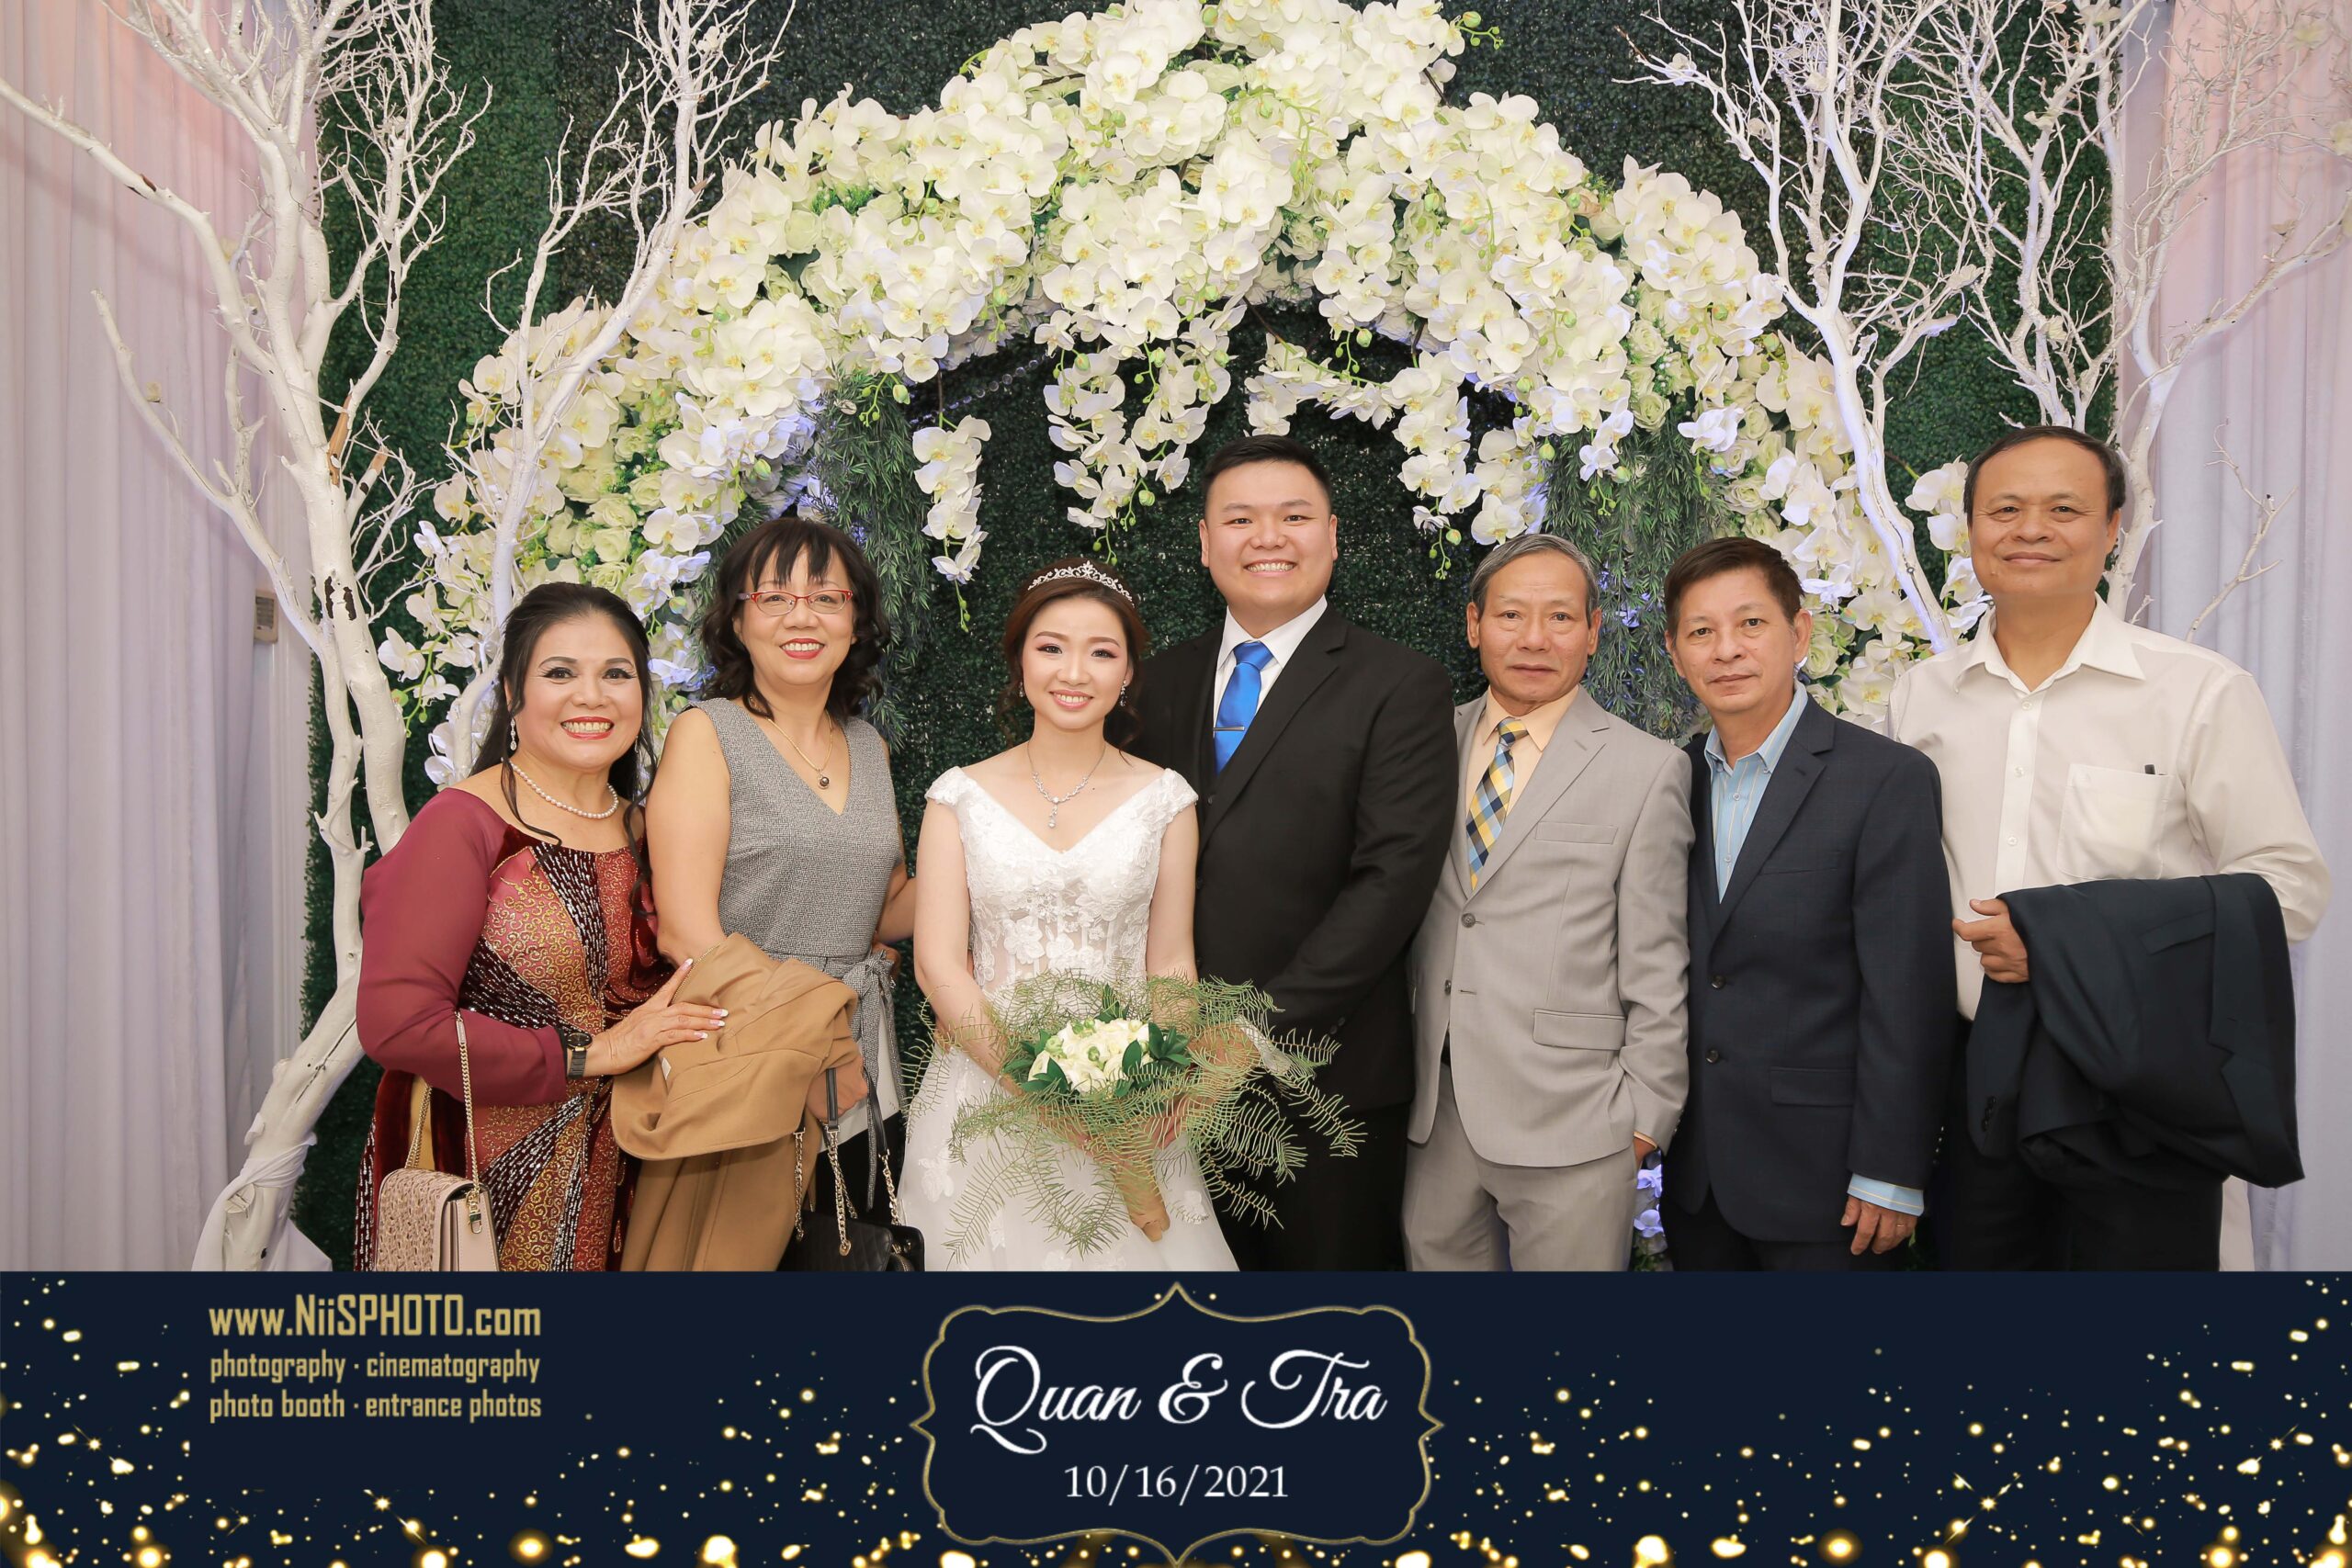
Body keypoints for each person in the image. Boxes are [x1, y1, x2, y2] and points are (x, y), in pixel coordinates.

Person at [1890, 425, 2330, 1269]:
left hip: (2137, 1082)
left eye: (2064, 509)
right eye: (2004, 510)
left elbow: (2289, 889)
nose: (2030, 530)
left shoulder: (2197, 691)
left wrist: (2061, 940)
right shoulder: (1922, 699)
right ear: (1971, 530)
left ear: (2113, 528)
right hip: (1972, 1085)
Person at [1130, 434, 1459, 1270]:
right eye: (1241, 519)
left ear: (1334, 536)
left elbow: (1390, 883)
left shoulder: (1400, 685)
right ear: (1205, 542)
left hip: (1327, 1088)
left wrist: (1250, 1035)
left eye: (1294, 517)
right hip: (1166, 1085)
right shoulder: (1152, 684)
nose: (1268, 538)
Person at [354, 583, 724, 1270]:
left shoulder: (652, 831)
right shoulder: (462, 825)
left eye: (616, 674)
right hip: (476, 1180)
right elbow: (397, 1025)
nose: (592, 696)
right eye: (560, 673)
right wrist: (592, 1054)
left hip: (633, 1173)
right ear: (512, 695)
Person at [901, 558, 1232, 1270]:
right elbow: (937, 964)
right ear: (1020, 663)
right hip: (985, 1090)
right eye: (1051, 647)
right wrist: (1043, 1089)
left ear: (1127, 673)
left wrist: (1155, 1078)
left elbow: (1172, 961)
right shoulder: (957, 797)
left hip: (1126, 1095)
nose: (1074, 672)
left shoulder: (1166, 800)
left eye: (1101, 652)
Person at [1659, 536, 1954, 1270]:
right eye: (1701, 631)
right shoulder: (1668, 783)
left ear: (1799, 633)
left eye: (1751, 624)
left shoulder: (1884, 779)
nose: (1726, 650)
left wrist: (1891, 1168)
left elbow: (1908, 990)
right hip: (1697, 1178)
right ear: (1675, 653)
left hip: (1831, 1181)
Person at [1403, 532, 1692, 1271]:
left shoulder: (1648, 769)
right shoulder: (1420, 744)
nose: (1534, 638)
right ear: (1474, 625)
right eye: (1511, 615)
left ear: (1593, 631)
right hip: (1434, 1114)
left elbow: (1658, 958)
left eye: (1560, 617)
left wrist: (1645, 1117)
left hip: (1578, 1124)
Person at [646, 516, 914, 1222]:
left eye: (827, 598)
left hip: (864, 1053)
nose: (802, 616)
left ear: (855, 622)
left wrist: (990, 847)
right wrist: (810, 1040)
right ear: (737, 620)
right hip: (749, 1053)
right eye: (774, 597)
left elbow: (886, 910)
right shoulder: (708, 733)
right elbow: (685, 932)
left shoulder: (869, 746)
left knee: (861, 1252)